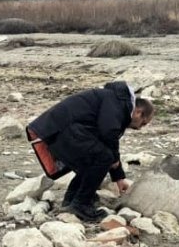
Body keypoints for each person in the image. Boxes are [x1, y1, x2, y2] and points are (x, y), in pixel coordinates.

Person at [27, 80, 154, 221]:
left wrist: (118, 177)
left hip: (58, 130)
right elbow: (108, 132)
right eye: (143, 123)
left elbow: (107, 138)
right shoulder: (116, 102)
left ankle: (70, 201)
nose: (140, 128)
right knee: (103, 157)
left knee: (92, 159)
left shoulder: (117, 102)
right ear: (138, 112)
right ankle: (81, 204)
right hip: (59, 129)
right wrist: (114, 161)